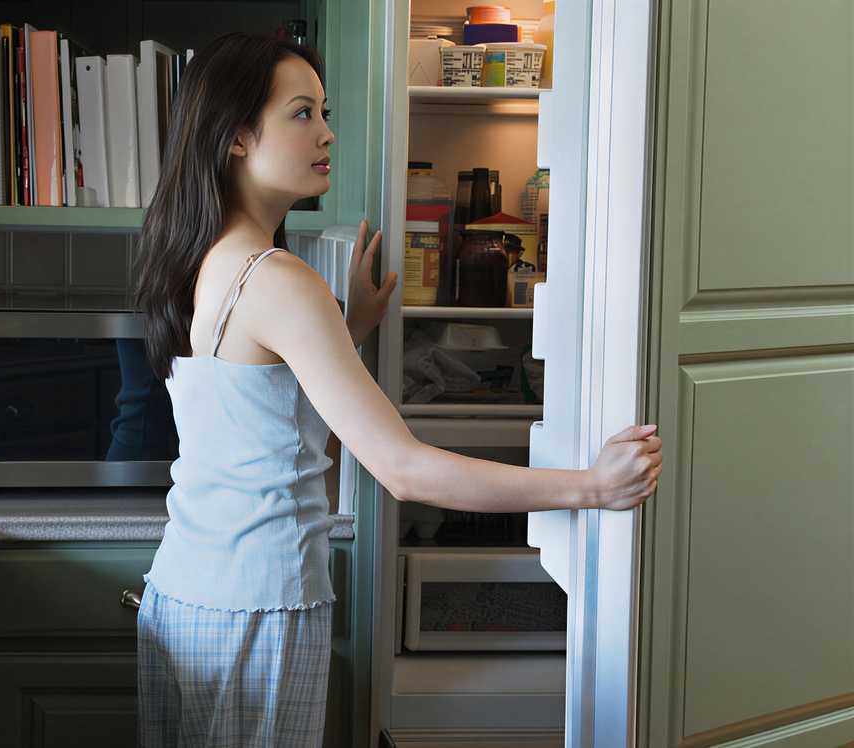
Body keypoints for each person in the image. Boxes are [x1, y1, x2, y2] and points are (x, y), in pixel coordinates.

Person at [133, 31, 663, 747]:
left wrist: (346, 325)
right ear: (235, 137)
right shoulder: (281, 281)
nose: (327, 132)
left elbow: (252, 397)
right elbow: (405, 470)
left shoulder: (204, 256)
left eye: (324, 111)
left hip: (187, 594)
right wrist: (591, 487)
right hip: (257, 605)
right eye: (302, 114)